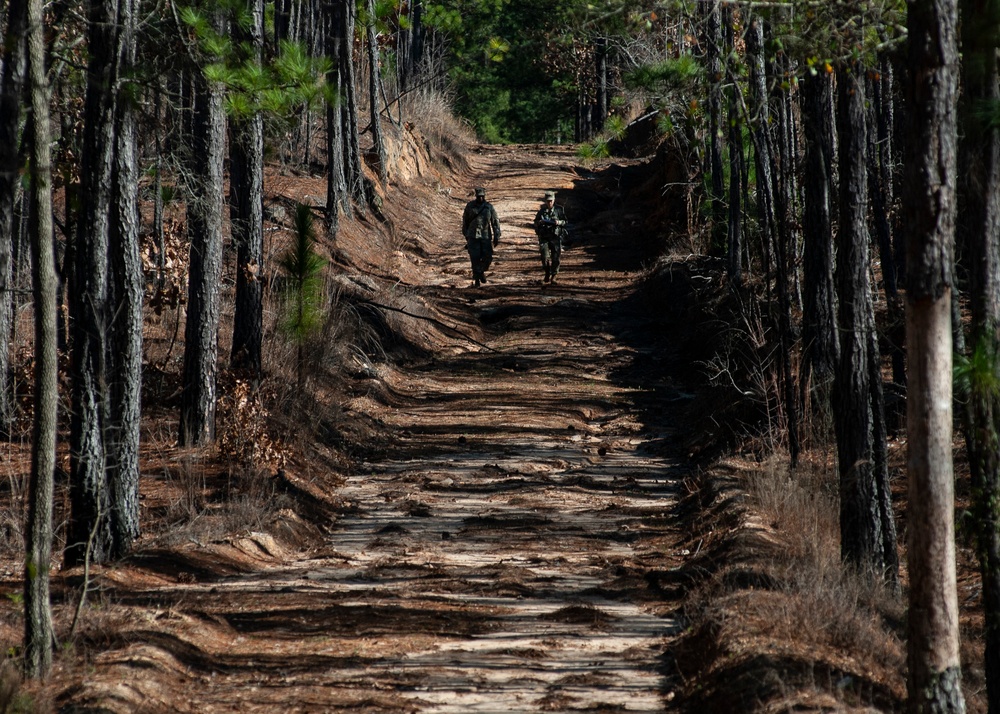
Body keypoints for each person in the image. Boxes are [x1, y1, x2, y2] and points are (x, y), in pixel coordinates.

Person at [462, 186, 501, 286]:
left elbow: (495, 222)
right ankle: (476, 280)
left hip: (485, 236)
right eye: (479, 196)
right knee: (475, 258)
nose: (480, 198)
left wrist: (497, 235)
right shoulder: (470, 206)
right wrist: (466, 235)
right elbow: (465, 221)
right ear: (476, 196)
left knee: (488, 257)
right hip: (473, 236)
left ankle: (480, 271)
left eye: (482, 196)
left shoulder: (489, 207)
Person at [533, 190, 568, 283]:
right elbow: (535, 222)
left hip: (555, 236)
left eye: (551, 201)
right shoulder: (541, 211)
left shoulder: (559, 210)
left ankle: (554, 275)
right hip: (544, 236)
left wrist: (558, 222)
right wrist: (539, 222)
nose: (549, 203)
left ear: (554, 200)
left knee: (556, 256)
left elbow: (565, 221)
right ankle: (547, 273)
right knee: (544, 256)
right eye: (548, 201)